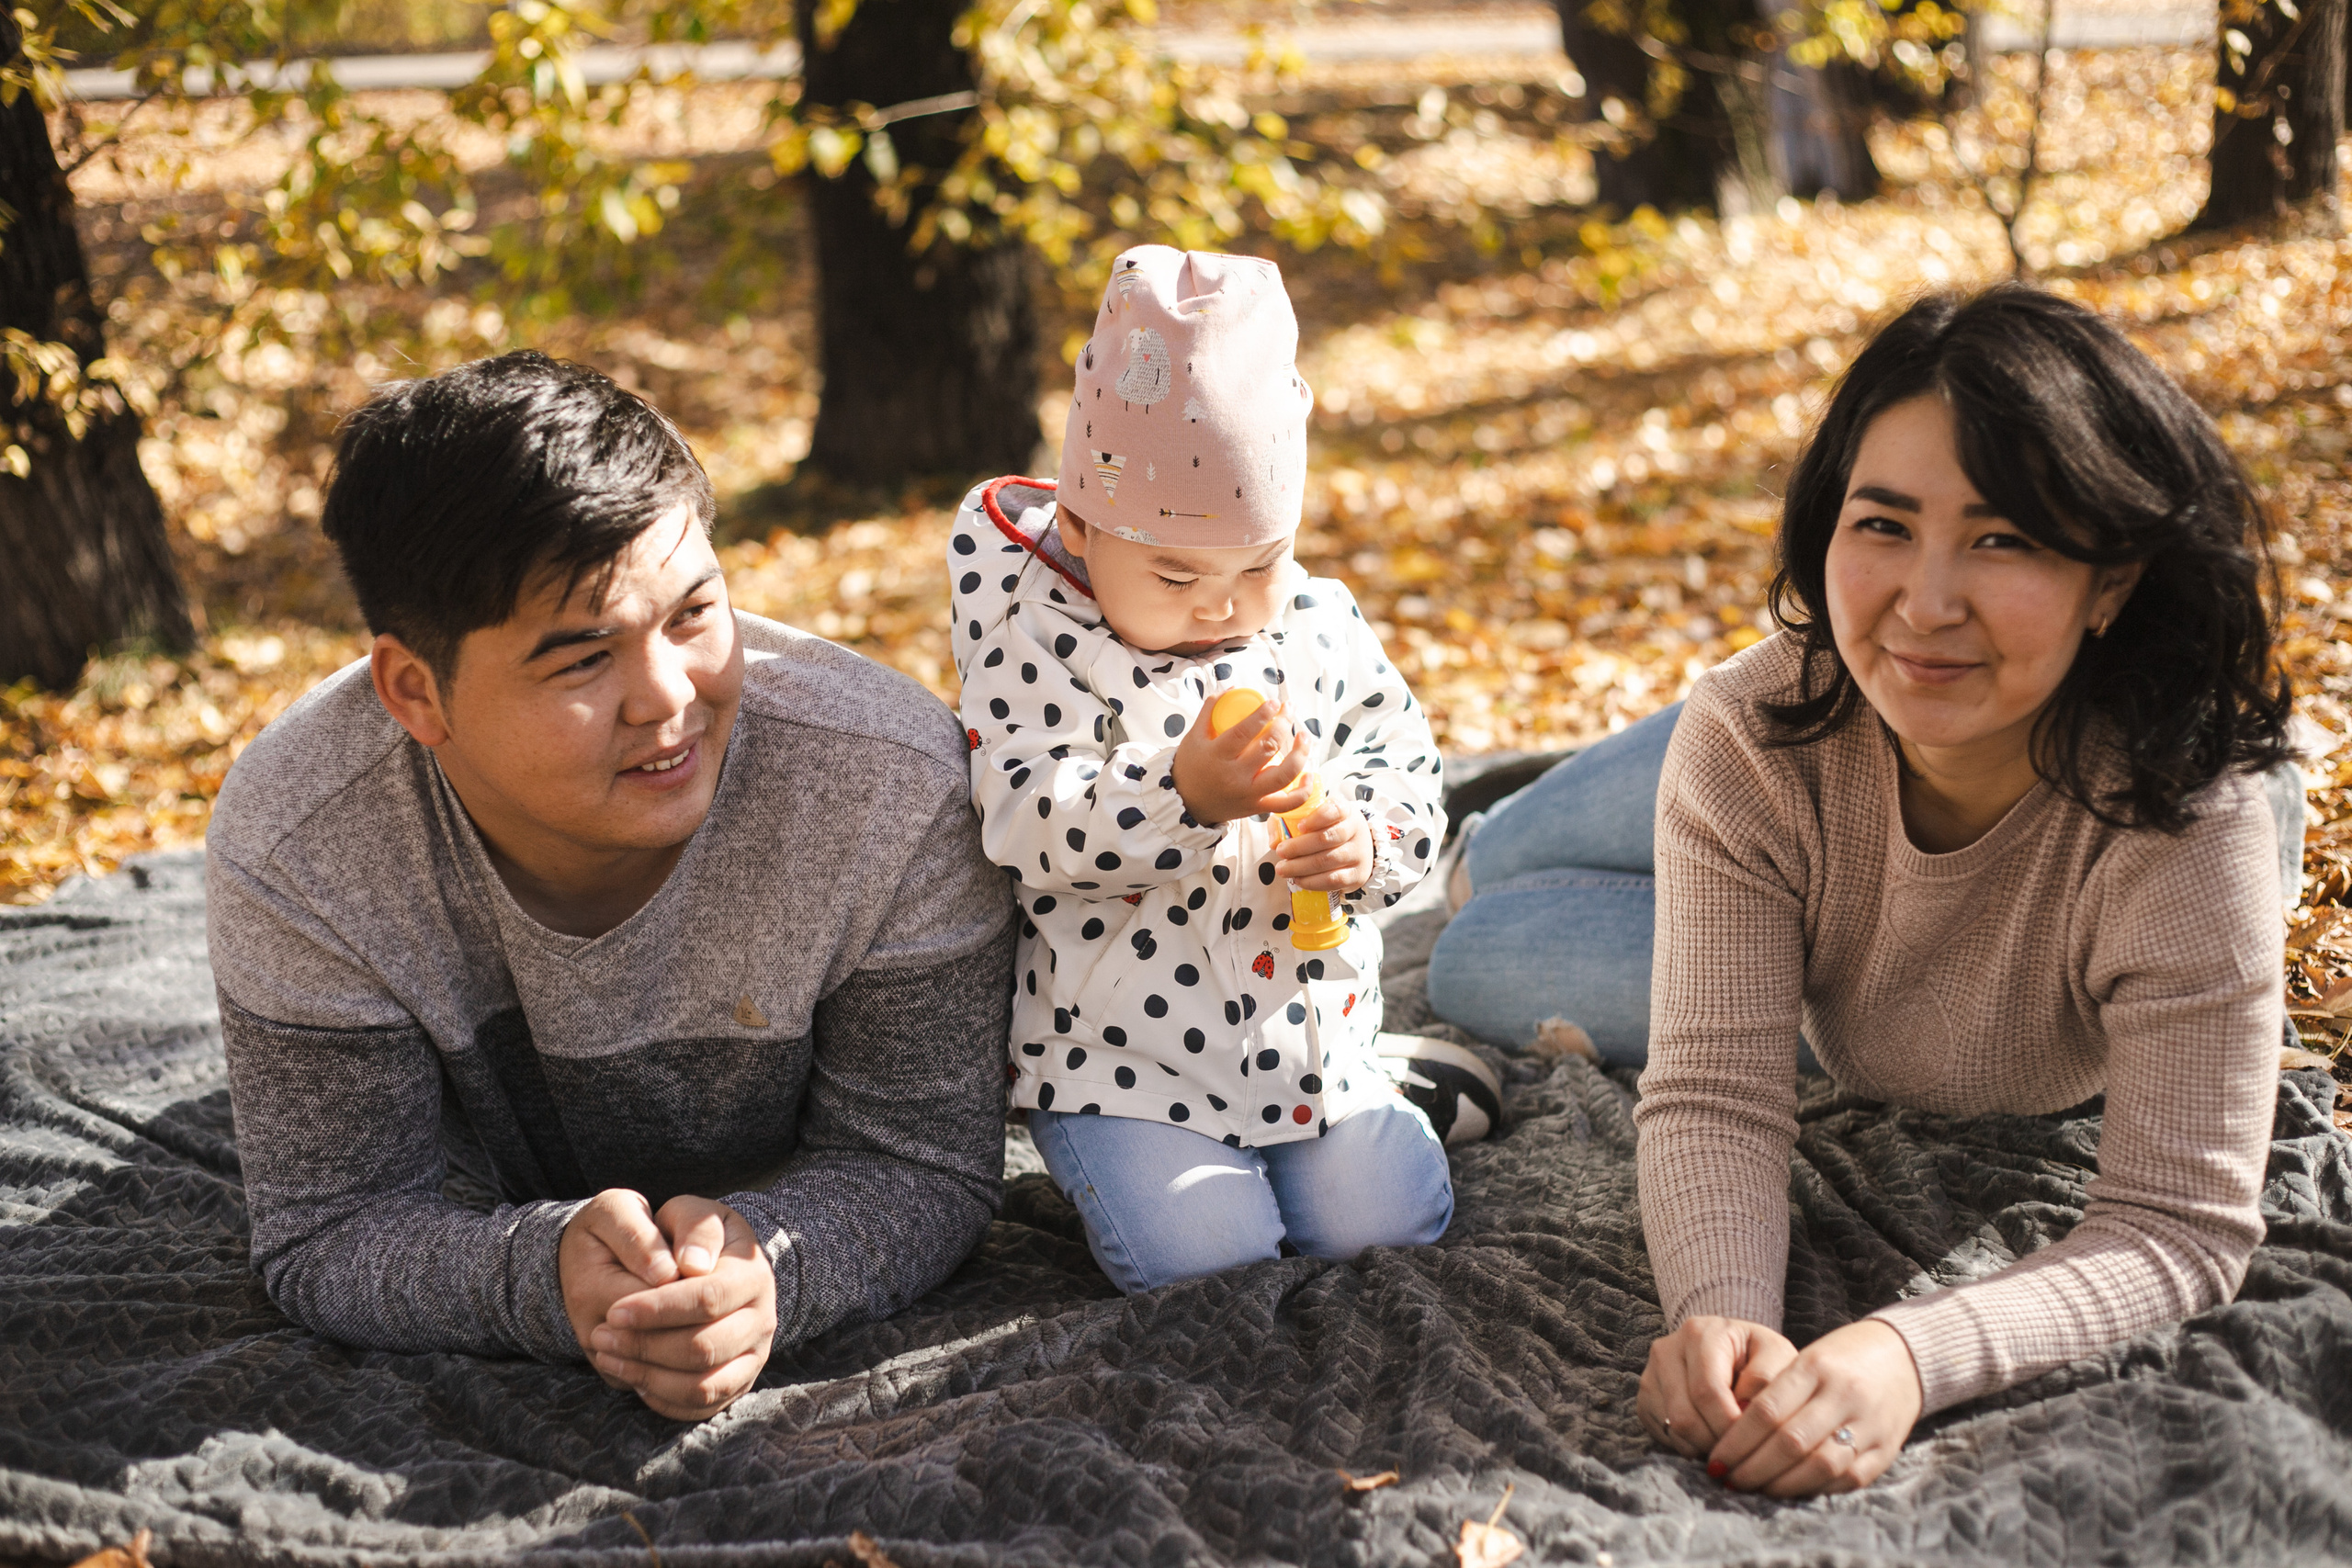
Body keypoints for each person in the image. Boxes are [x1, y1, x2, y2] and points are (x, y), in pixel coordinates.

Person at [1428, 287, 2301, 1495]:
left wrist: (1910, 1352)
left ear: (2113, 580)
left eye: (2006, 540)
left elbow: (2178, 1221)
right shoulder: (1761, 718)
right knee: (1483, 871)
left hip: (1932, 886)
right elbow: (1718, 1092)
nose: (1927, 598)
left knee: (1478, 954)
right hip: (1821, 743)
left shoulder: (2192, 823)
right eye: (1882, 524)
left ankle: (1530, 838)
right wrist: (1720, 1311)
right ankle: (1489, 827)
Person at [207, 352, 1016, 1422]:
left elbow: (922, 1162)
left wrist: (776, 1270)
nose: (668, 698)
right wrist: (541, 1280)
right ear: (414, 690)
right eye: (583, 660)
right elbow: (334, 1224)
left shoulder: (888, 789)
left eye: (692, 613)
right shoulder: (300, 842)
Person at [948, 244, 1487, 1295]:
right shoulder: (1036, 637)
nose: (1219, 604)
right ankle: (1181, 1166)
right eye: (1175, 572)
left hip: (1306, 1034)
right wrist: (1177, 794)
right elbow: (1021, 820)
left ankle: (1403, 1084)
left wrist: (1366, 837)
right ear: (1082, 526)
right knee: (1204, 1260)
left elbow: (1405, 764)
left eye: (1259, 564)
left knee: (1388, 1226)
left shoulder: (1318, 627)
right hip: (1122, 1060)